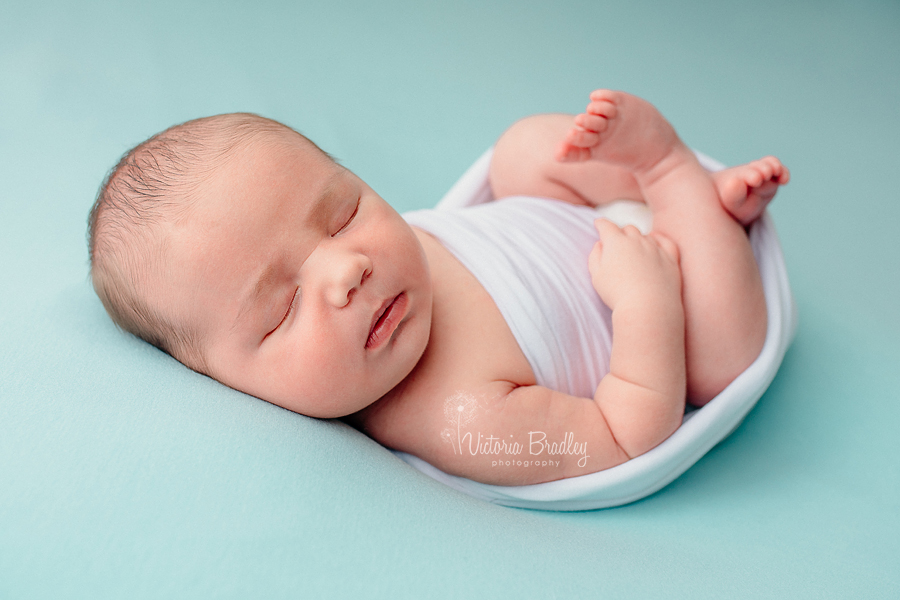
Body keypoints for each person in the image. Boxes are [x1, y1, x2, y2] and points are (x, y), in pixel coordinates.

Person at [88, 90, 789, 486]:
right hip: (671, 307)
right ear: (230, 384)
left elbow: (488, 223)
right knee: (723, 360)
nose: (346, 270)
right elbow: (628, 435)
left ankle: (683, 200)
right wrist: (645, 301)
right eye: (283, 309)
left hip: (589, 214)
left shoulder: (398, 256)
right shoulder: (461, 421)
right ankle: (675, 178)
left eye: (342, 214)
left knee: (519, 153)